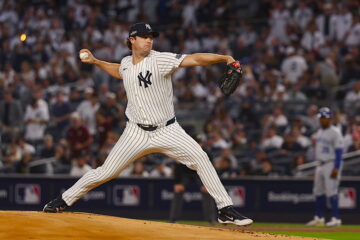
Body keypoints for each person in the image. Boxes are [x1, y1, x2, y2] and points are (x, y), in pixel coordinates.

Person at [43, 22, 253, 226]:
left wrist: (224, 58)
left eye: (151, 37)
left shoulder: (160, 60)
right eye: (144, 37)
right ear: (132, 40)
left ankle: (225, 209)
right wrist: (97, 62)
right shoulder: (126, 63)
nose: (149, 41)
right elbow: (118, 71)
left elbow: (195, 59)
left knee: (200, 157)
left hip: (167, 130)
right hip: (135, 132)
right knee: (105, 172)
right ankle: (63, 200)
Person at [306, 107, 344, 227]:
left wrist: (336, 168)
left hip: (331, 163)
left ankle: (336, 218)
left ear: (330, 119)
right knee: (318, 191)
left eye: (324, 118)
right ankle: (319, 218)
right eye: (321, 118)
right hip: (320, 164)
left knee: (332, 192)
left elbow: (339, 151)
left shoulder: (335, 132)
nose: (322, 120)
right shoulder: (320, 131)